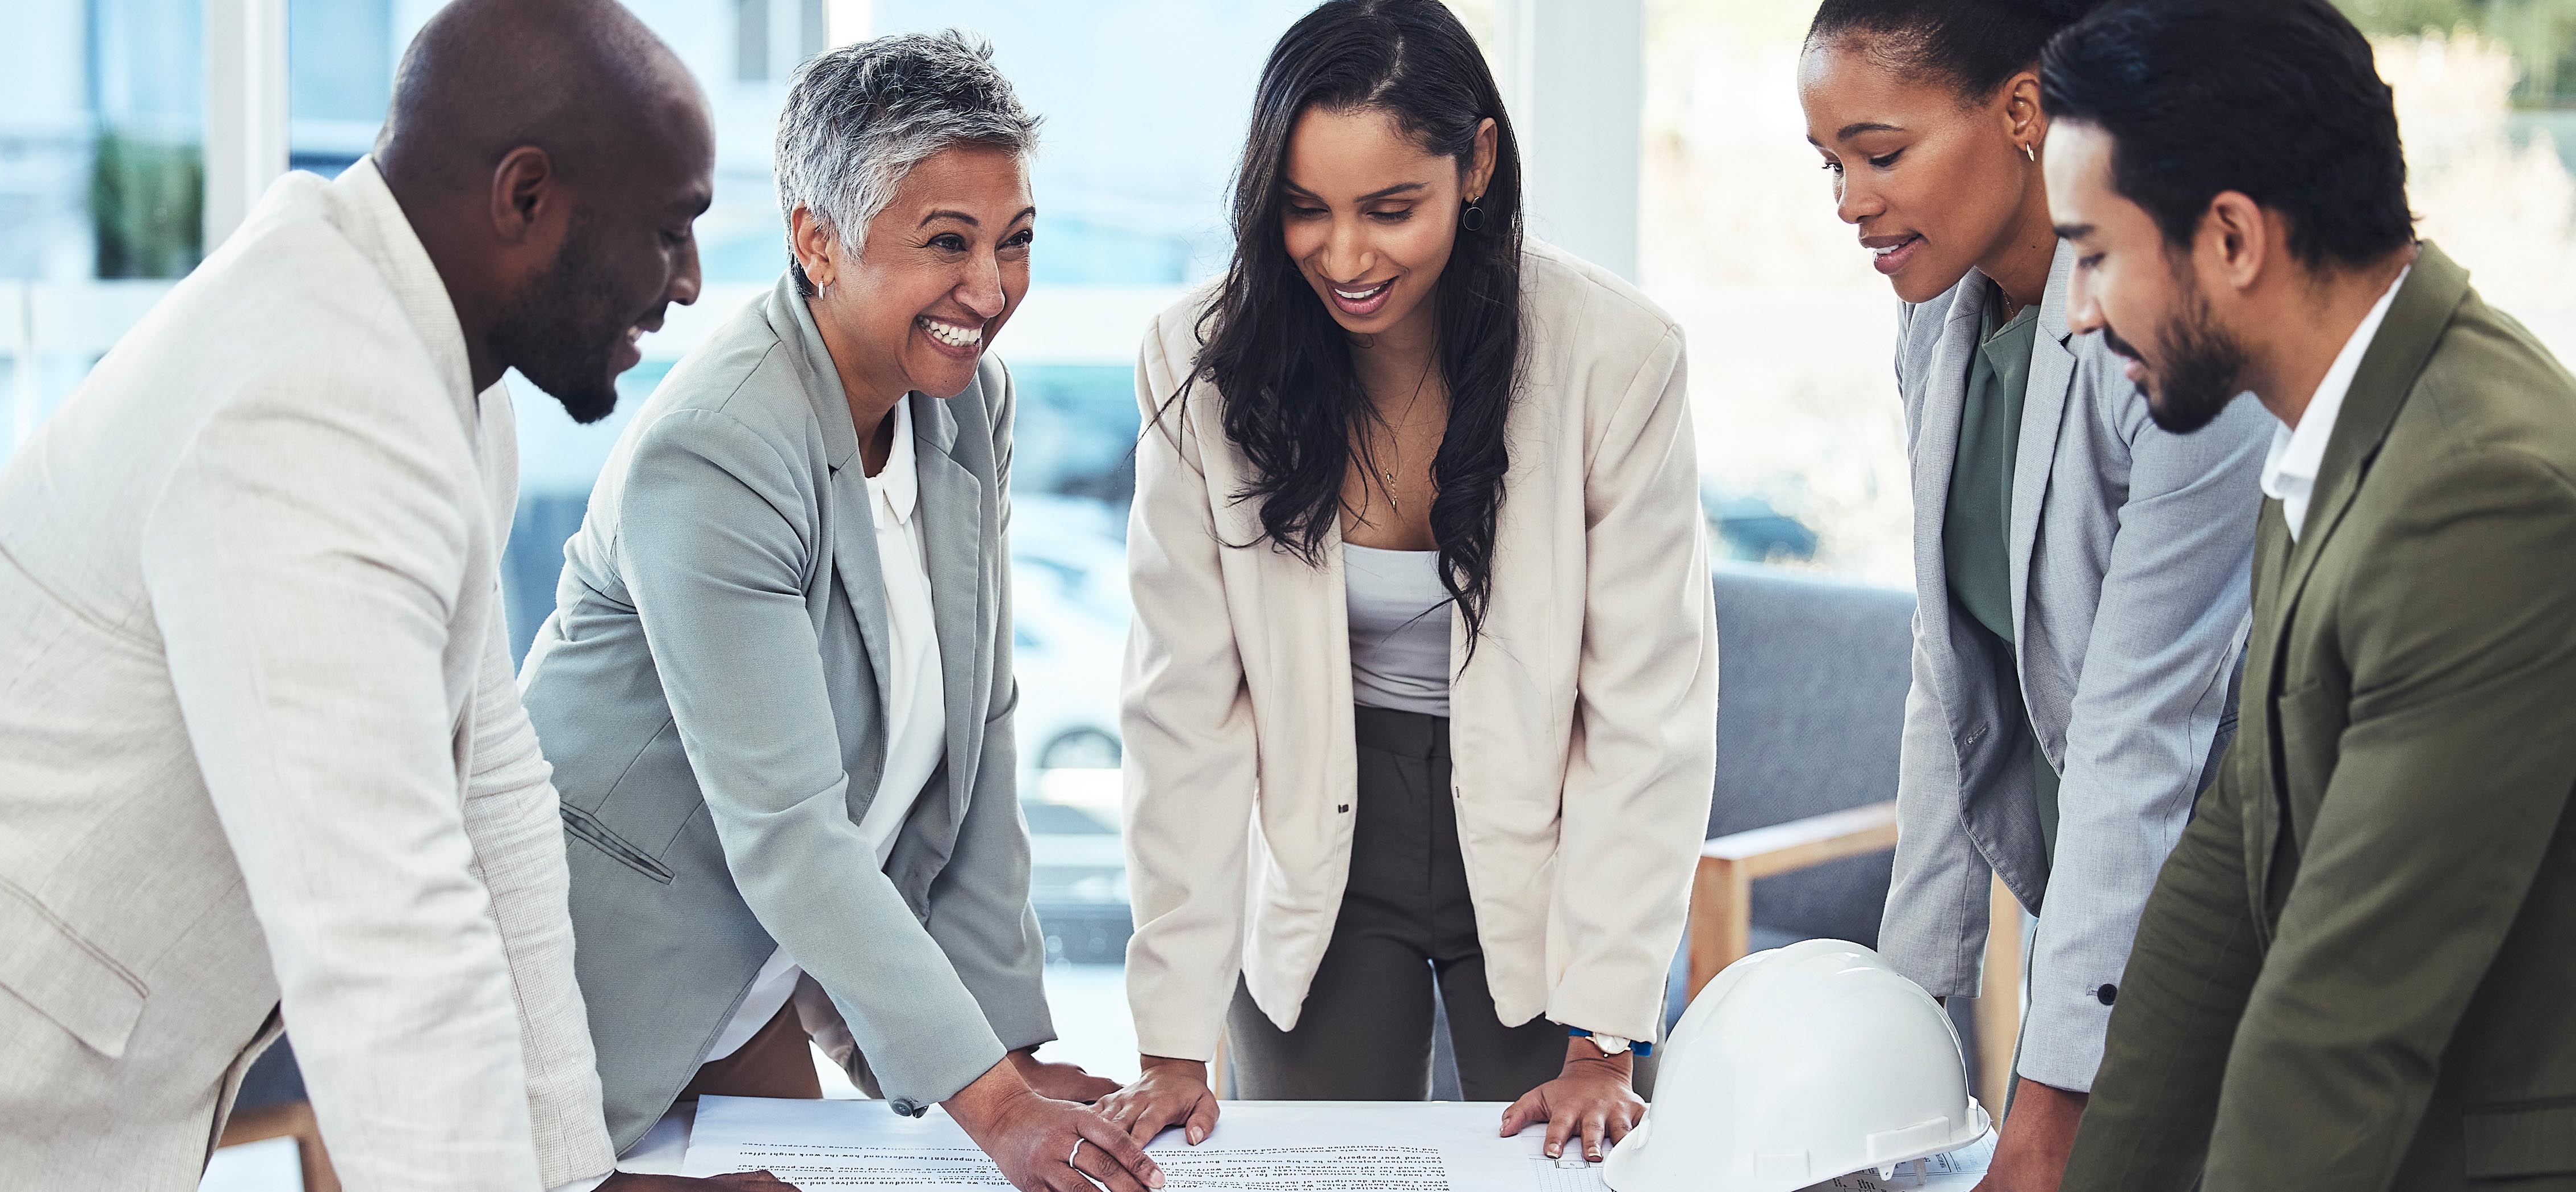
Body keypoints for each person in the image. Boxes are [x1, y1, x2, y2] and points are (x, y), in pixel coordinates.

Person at [0, 2, 787, 1190]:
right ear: (525, 198)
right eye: (669, 231)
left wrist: (576, 1177)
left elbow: (491, 796)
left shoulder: (440, 361)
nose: (693, 283)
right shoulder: (318, 403)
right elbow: (383, 938)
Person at [515, 31, 1160, 1192]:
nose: (991, 291)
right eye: (946, 244)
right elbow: (788, 829)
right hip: (593, 993)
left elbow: (983, 732)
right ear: (817, 239)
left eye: (1014, 244)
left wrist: (1006, 1052)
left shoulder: (964, 404)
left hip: (756, 977)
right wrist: (992, 1104)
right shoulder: (718, 448)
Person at [1097, 0, 1718, 1166]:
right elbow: (1181, 710)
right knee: (1314, 1174)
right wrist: (1172, 1042)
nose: (1345, 257)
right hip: (1323, 831)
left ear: (1476, 162)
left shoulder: (1619, 358)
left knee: (1569, 1167)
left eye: (1390, 210)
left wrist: (1605, 1035)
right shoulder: (1200, 364)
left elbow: (1648, 714)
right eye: (1305, 210)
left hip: (1552, 832)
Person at [2035, 1, 2576, 1186]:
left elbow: (2345, 1011)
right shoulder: (2333, 429)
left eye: (2094, 254)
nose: (2077, 314)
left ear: (2231, 237)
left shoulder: (2479, 488)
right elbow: (2232, 858)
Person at [1795, 3, 2273, 1185]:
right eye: (1832, 165)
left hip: (2233, 904)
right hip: (2082, 903)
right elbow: (1947, 681)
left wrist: (2049, 1109)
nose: (1851, 201)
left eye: (1882, 152)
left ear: (2021, 113)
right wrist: (1904, 1032)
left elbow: (2142, 730)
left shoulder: (2168, 326)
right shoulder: (1938, 320)